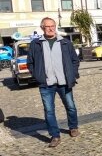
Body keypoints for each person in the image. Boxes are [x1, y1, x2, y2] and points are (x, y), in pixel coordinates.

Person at [27, 17, 81, 148]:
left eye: (52, 26)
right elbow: (30, 63)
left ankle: (73, 127)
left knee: (70, 106)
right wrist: (38, 76)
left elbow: (75, 60)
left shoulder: (65, 43)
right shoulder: (35, 44)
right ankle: (55, 135)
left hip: (64, 82)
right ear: (42, 28)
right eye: (47, 26)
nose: (51, 28)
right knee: (49, 110)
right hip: (46, 84)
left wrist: (72, 74)